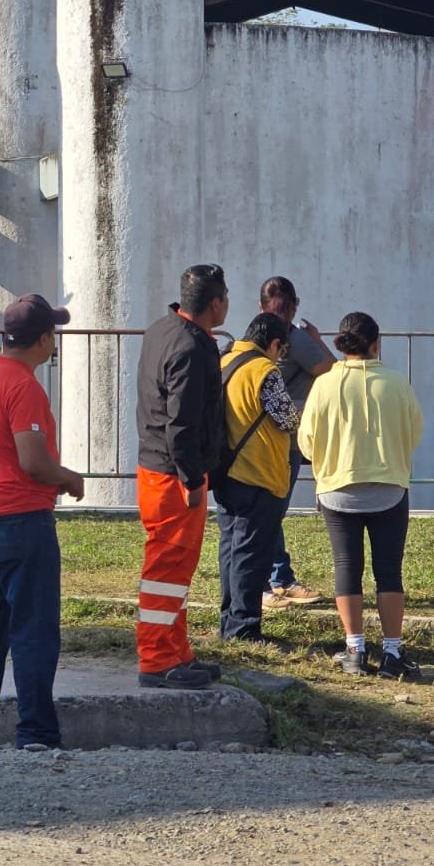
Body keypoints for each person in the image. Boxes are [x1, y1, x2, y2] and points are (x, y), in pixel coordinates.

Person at [0, 294, 83, 750]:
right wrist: (68, 478)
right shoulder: (24, 386)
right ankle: (36, 731)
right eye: (54, 333)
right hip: (22, 518)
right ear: (44, 339)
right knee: (34, 628)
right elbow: (32, 461)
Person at [298, 312, 425, 680]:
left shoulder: (324, 384)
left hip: (337, 488)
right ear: (375, 343)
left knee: (346, 567)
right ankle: (392, 652)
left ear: (342, 344)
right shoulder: (397, 383)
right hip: (388, 488)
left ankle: (355, 650)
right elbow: (414, 431)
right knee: (389, 570)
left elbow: (306, 440)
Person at [134, 263, 228, 690]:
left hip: (158, 467)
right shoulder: (192, 347)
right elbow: (182, 424)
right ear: (216, 303)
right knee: (167, 566)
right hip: (175, 475)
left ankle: (176, 651)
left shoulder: (162, 330)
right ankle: (156, 659)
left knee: (175, 570)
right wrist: (192, 480)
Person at [215, 313, 301, 644]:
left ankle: (229, 622)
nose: (281, 357)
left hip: (227, 471)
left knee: (231, 549)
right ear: (275, 343)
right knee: (251, 554)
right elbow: (287, 418)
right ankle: (244, 628)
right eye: (282, 350)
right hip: (259, 472)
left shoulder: (225, 360)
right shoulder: (265, 371)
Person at [258, 276, 332, 610]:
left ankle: (278, 576)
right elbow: (333, 371)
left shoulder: (255, 336)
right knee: (271, 512)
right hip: (283, 438)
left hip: (266, 437)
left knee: (269, 511)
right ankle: (274, 580)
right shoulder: (295, 338)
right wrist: (317, 341)